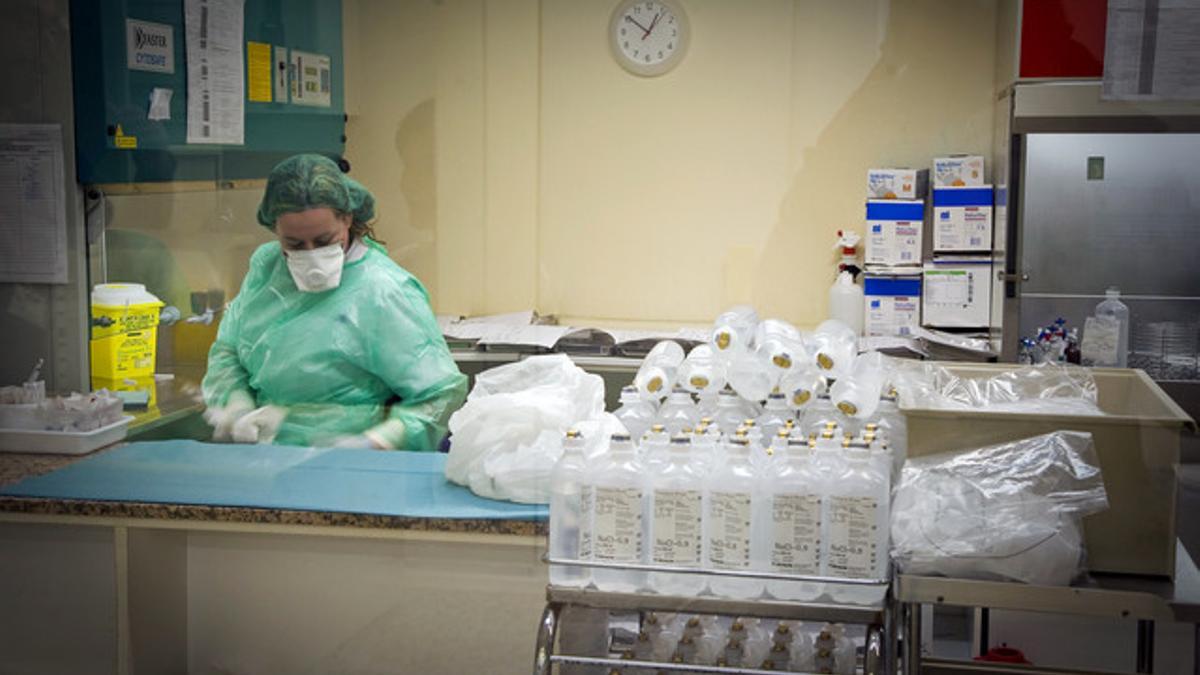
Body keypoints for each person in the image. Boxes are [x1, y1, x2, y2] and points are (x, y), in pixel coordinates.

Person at [201, 154, 466, 450]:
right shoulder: (267, 267)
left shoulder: (383, 290)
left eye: (325, 240)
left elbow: (440, 395)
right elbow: (229, 350)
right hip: (267, 458)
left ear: (347, 219)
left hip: (354, 471)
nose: (311, 254)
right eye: (294, 244)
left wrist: (373, 443)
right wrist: (236, 406)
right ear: (275, 229)